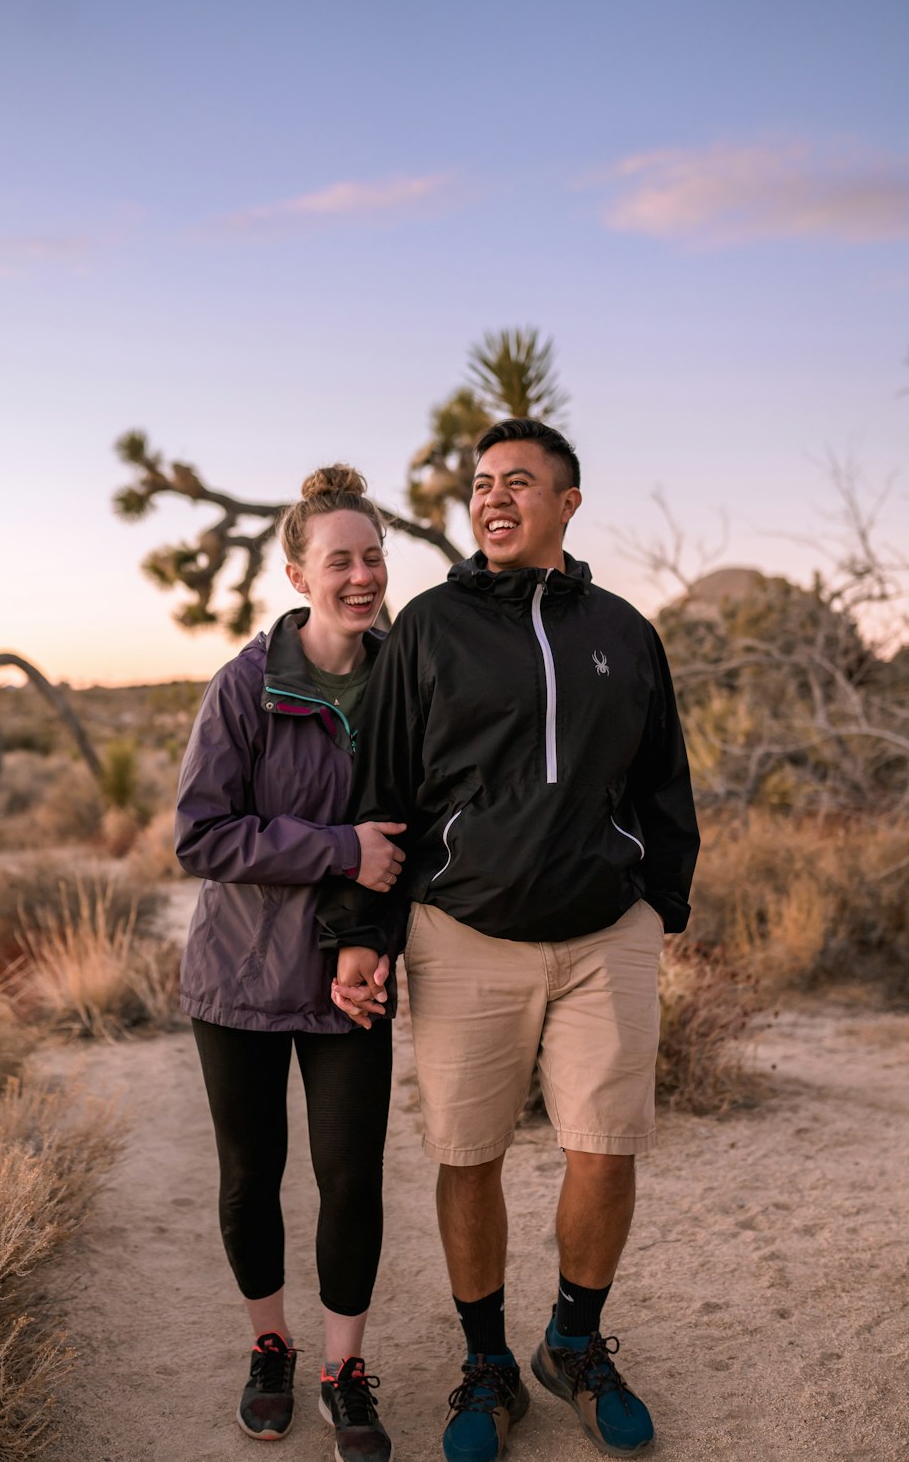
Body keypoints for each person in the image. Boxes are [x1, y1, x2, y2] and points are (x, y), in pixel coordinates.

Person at [322, 418, 699, 1462]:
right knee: (467, 1151)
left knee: (606, 1147)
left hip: (601, 935)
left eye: (518, 481)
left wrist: (656, 901)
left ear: (567, 502)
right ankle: (486, 1360)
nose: (493, 497)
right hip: (464, 929)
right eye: (482, 482)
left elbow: (662, 777)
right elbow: (382, 788)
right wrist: (364, 932)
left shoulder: (623, 631)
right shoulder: (429, 628)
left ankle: (571, 1342)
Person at [175, 466, 405, 1462]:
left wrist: (373, 934)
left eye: (372, 556)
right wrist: (338, 846)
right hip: (238, 976)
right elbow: (201, 835)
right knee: (250, 1175)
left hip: (355, 975)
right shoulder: (245, 683)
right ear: (299, 571)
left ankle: (341, 1366)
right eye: (340, 560)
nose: (361, 575)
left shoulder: (409, 676)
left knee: (351, 1177)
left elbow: (422, 832)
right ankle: (268, 1343)